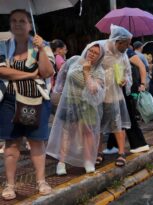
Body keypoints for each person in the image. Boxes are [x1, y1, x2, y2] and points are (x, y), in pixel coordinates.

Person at [0, 9, 55, 200]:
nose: (17, 24)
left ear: (29, 24)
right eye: (13, 21)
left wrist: (40, 49)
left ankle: (41, 181)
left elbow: (47, 72)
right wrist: (31, 75)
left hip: (36, 101)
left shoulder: (43, 45)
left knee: (36, 142)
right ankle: (10, 184)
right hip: (10, 101)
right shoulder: (3, 46)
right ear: (10, 24)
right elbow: (3, 72)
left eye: (22, 21)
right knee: (11, 144)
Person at [46, 42, 105, 175]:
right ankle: (61, 162)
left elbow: (94, 89)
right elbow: (61, 76)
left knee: (88, 133)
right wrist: (57, 91)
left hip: (87, 105)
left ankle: (88, 160)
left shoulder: (99, 70)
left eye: (96, 53)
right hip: (70, 101)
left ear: (100, 57)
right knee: (67, 133)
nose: (92, 54)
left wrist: (86, 72)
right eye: (91, 51)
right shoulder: (74, 60)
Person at [98, 25, 132, 167]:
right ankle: (98, 152)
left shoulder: (123, 55)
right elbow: (89, 66)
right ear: (118, 41)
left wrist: (125, 80)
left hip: (115, 96)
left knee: (118, 124)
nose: (128, 47)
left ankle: (121, 153)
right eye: (126, 44)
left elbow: (128, 73)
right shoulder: (100, 49)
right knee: (97, 125)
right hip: (99, 94)